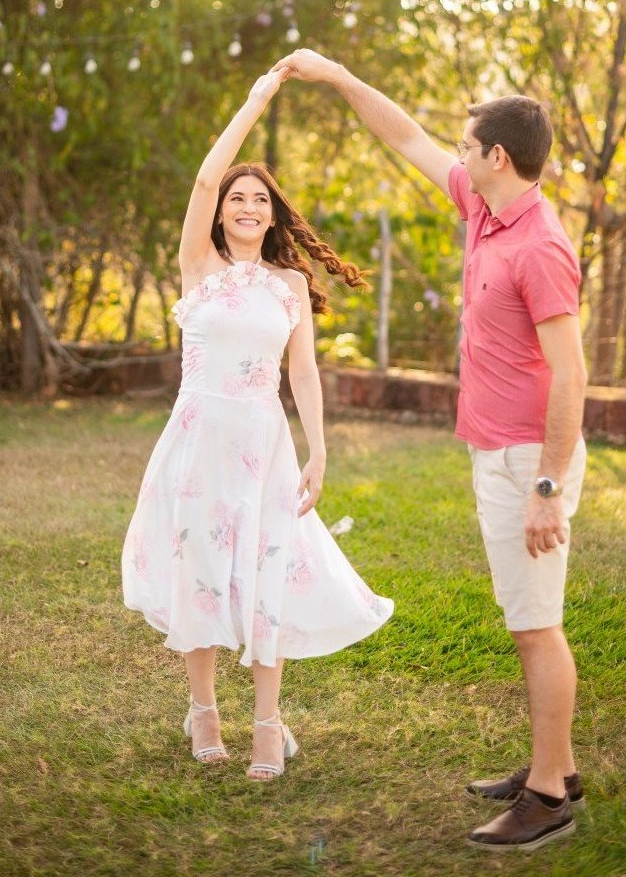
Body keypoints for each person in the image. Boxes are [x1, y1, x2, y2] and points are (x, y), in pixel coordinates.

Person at [273, 48, 588, 851]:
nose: (454, 152)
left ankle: (548, 797)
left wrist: (546, 486)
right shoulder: (484, 208)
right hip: (499, 450)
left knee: (535, 625)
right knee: (527, 618)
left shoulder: (539, 245)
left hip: (529, 459)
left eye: (465, 144)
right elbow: (404, 135)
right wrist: (339, 77)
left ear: (497, 156)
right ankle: (555, 764)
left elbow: (571, 372)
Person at [121, 67, 393, 781]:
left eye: (259, 199)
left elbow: (302, 374)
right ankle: (203, 711)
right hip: (197, 441)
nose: (246, 205)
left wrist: (318, 450)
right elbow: (203, 178)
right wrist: (256, 100)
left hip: (263, 447)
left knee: (266, 571)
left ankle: (268, 722)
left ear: (273, 217)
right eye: (237, 198)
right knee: (202, 571)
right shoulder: (199, 265)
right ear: (220, 214)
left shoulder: (291, 285)